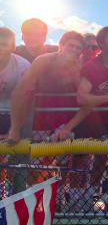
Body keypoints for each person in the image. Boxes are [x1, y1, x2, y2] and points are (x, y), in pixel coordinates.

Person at [53, 26, 108, 213]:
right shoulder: (91, 67)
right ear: (101, 44)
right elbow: (82, 98)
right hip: (91, 118)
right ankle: (75, 200)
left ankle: (96, 196)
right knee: (80, 157)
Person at [4, 31, 86, 209]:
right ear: (61, 45)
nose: (74, 50)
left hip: (65, 115)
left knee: (62, 160)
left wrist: (69, 126)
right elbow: (20, 91)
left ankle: (56, 200)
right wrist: (15, 128)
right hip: (40, 115)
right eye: (70, 45)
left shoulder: (79, 67)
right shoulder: (44, 60)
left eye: (78, 47)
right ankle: (33, 198)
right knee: (35, 159)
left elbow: (86, 100)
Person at [0, 27, 30, 198]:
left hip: (12, 115)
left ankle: (8, 193)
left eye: (4, 44)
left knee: (11, 154)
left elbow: (26, 100)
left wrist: (15, 127)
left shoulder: (23, 66)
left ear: (13, 46)